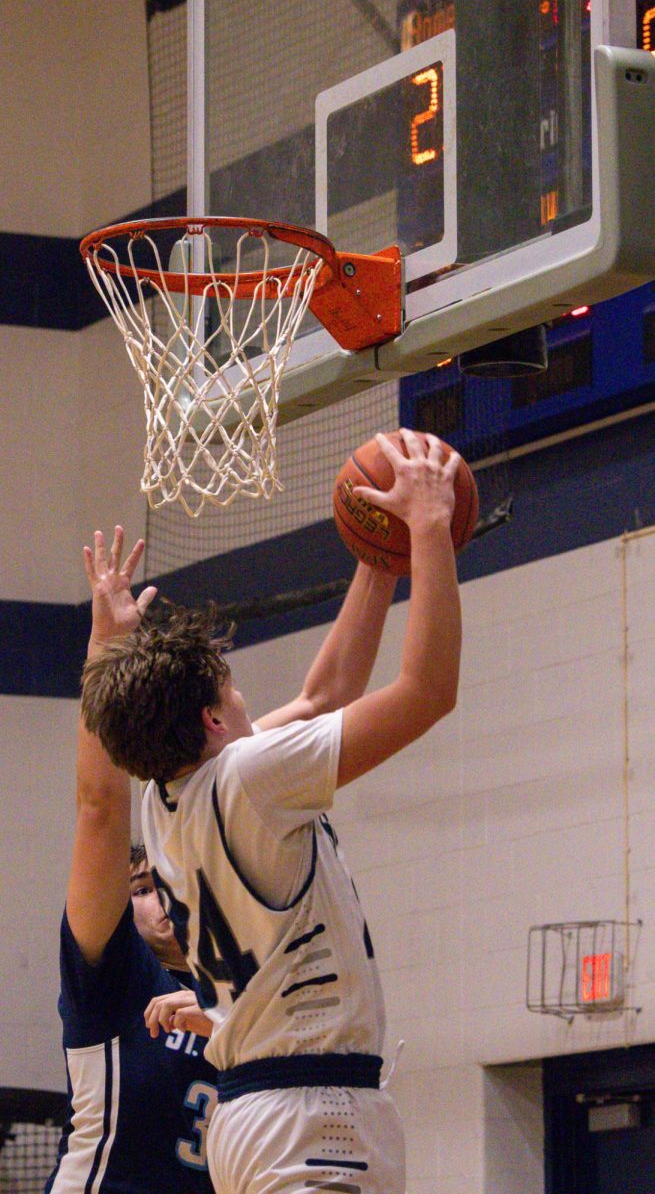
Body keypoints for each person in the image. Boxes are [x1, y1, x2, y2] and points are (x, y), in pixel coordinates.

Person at [80, 430, 462, 1194]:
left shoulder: (164, 800)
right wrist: (426, 530)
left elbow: (325, 696)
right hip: (309, 1117)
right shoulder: (250, 776)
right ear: (213, 722)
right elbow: (426, 693)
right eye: (233, 689)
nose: (248, 699)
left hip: (270, 1106)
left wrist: (377, 561)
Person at [45, 534, 218, 1194]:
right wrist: (107, 657)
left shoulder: (244, 992)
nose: (160, 898)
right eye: (142, 886)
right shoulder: (114, 975)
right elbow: (99, 810)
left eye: (169, 880)